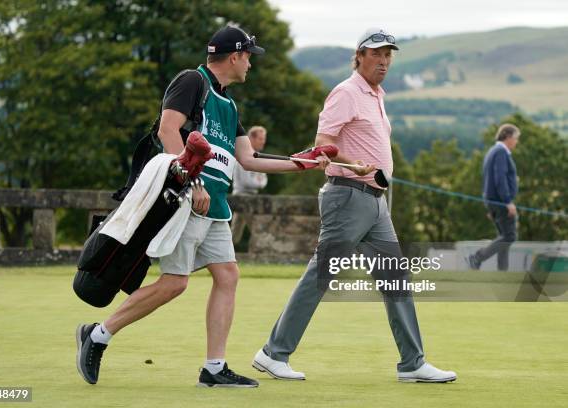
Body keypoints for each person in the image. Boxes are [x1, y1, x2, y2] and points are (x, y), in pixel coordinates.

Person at [75, 25, 331, 388]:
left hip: (216, 207)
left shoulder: (228, 103)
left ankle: (214, 368)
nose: (250, 66)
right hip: (185, 202)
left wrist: (303, 162)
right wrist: (191, 181)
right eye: (248, 58)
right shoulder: (192, 81)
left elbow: (249, 158)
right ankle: (97, 335)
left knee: (228, 275)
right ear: (234, 56)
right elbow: (168, 131)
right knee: (175, 284)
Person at [252, 28, 457, 383]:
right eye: (377, 54)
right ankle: (273, 353)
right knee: (321, 276)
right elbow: (323, 144)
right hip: (347, 195)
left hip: (374, 203)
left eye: (388, 55)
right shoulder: (346, 92)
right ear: (359, 55)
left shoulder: (376, 95)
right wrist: (352, 161)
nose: (384, 61)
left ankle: (412, 362)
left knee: (396, 279)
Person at [468, 124, 520, 271]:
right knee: (509, 236)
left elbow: (489, 179)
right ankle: (478, 257)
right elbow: (500, 179)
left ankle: (502, 273)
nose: (516, 142)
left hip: (493, 201)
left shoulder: (492, 151)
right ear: (508, 137)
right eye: (516, 138)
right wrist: (508, 201)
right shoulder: (501, 152)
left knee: (504, 237)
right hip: (501, 202)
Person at [231, 126, 268, 244]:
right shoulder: (244, 155)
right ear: (251, 138)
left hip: (251, 196)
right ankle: (260, 251)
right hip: (242, 196)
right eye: (261, 139)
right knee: (256, 227)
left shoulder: (257, 155)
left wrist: (258, 182)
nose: (263, 141)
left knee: (237, 229)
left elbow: (264, 179)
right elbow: (248, 182)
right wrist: (259, 182)